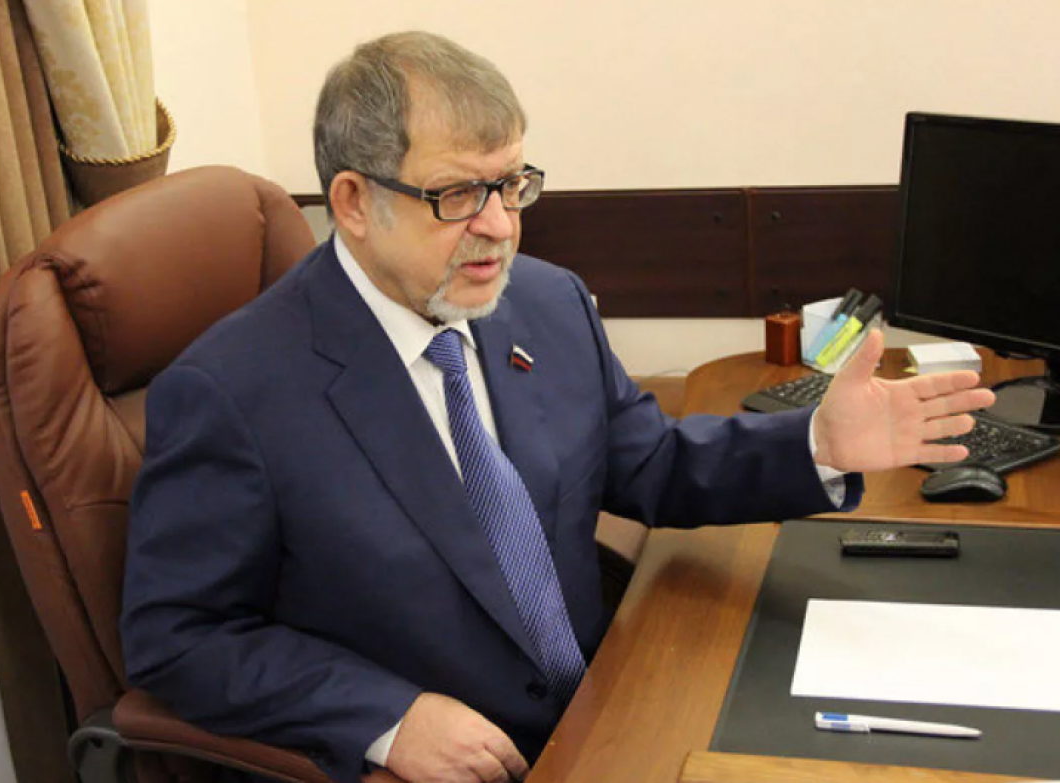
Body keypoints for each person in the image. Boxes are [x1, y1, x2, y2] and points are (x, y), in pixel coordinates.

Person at [120, 31, 994, 783]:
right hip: (468, 759)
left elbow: (649, 464)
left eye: (512, 184)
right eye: (458, 194)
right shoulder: (231, 392)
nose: (500, 225)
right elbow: (178, 635)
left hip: (613, 701)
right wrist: (385, 715)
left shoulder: (545, 301)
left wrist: (818, 442)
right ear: (353, 202)